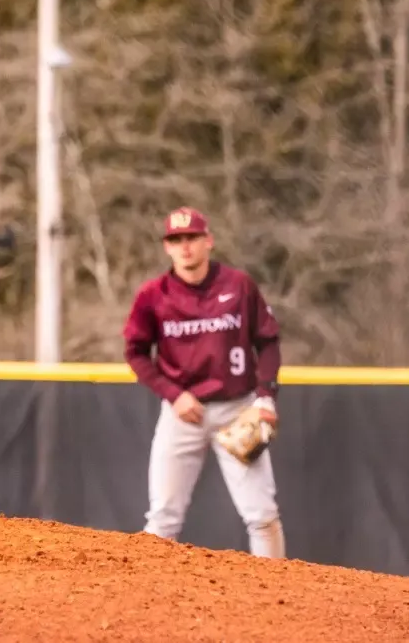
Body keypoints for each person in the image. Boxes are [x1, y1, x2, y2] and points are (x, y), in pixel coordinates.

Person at [123, 206, 287, 557]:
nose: (185, 246)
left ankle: (277, 596)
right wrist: (172, 394)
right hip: (183, 414)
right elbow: (135, 352)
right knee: (162, 518)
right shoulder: (153, 295)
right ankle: (144, 600)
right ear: (167, 247)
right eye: (176, 239)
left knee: (261, 515)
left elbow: (268, 341)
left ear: (208, 241)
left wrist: (265, 397)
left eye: (192, 238)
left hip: (237, 410)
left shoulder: (238, 286)